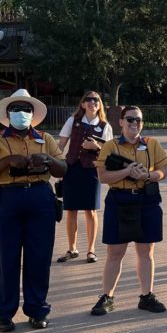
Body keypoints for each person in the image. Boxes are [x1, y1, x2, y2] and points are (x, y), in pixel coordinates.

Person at [0, 88, 66, 332]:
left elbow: (62, 168)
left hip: (40, 197)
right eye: (16, 109)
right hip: (7, 198)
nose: (21, 113)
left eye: (26, 109)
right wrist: (7, 161)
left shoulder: (45, 139)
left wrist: (48, 161)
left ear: (33, 114)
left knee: (39, 257)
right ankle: (4, 313)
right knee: (4, 258)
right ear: (7, 114)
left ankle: (37, 310)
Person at [90, 106, 167, 316]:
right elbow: (103, 177)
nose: (135, 123)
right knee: (115, 252)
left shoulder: (152, 144)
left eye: (139, 120)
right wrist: (127, 171)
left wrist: (146, 176)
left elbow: (163, 172)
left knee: (146, 251)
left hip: (146, 199)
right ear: (121, 122)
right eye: (130, 119)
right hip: (120, 199)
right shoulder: (110, 146)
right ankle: (107, 296)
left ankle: (146, 296)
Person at [56, 91, 112, 264]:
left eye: (96, 100)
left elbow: (110, 153)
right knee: (71, 210)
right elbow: (61, 145)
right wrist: (58, 166)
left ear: (100, 104)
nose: (92, 102)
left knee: (91, 211)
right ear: (82, 104)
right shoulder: (73, 121)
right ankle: (72, 248)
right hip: (72, 168)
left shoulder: (105, 126)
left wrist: (96, 146)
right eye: (88, 99)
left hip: (91, 171)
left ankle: (91, 250)